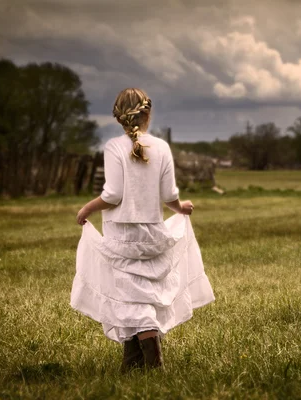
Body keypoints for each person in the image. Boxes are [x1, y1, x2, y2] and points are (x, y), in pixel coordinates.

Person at [70, 88, 215, 371]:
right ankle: (132, 361)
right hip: (151, 234)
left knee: (130, 297)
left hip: (122, 235)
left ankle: (153, 364)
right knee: (141, 295)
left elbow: (112, 195)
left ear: (119, 118)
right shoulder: (161, 147)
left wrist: (87, 208)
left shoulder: (114, 147)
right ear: (148, 114)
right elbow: (168, 193)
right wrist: (179, 207)